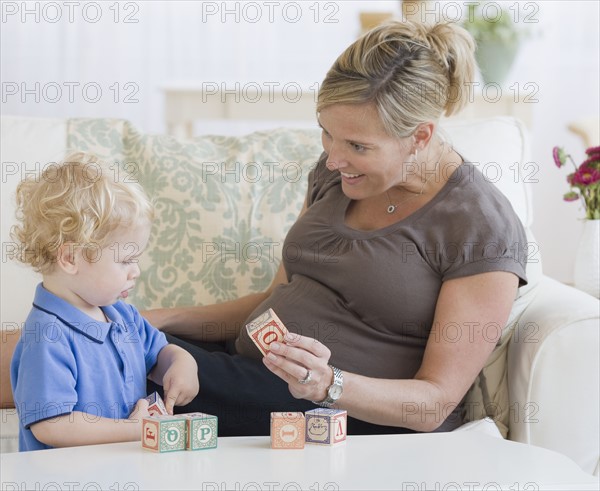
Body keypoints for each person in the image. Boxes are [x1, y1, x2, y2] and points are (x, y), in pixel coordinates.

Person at [144, 20, 529, 436]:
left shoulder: (481, 228)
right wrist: (159, 318)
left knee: (117, 361)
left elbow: (433, 404)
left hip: (342, 413)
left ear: (420, 136)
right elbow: (274, 298)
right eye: (327, 134)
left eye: (358, 146)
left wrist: (327, 383)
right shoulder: (339, 177)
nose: (333, 159)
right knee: (106, 334)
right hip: (249, 372)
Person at [10, 153, 199, 451]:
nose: (136, 271)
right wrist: (134, 430)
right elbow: (52, 425)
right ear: (71, 258)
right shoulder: (47, 334)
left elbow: (160, 353)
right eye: (126, 260)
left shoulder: (121, 315)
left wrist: (181, 363)